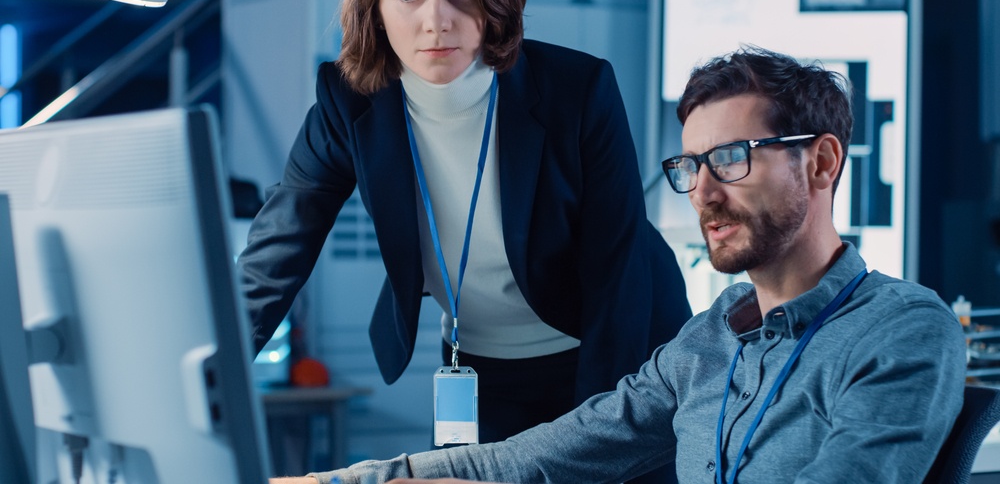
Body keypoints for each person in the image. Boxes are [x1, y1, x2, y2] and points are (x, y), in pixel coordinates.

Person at [271, 46, 967, 484]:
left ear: (819, 163)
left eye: (730, 158)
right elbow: (541, 455)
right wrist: (354, 481)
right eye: (689, 167)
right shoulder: (708, 340)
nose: (703, 191)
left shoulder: (902, 331)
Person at [237, 0, 691, 467]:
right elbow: (281, 245)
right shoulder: (348, 102)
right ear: (375, 6)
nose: (437, 21)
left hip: (613, 352)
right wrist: (208, 373)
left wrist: (597, 438)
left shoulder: (577, 91)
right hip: (479, 364)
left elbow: (619, 273)